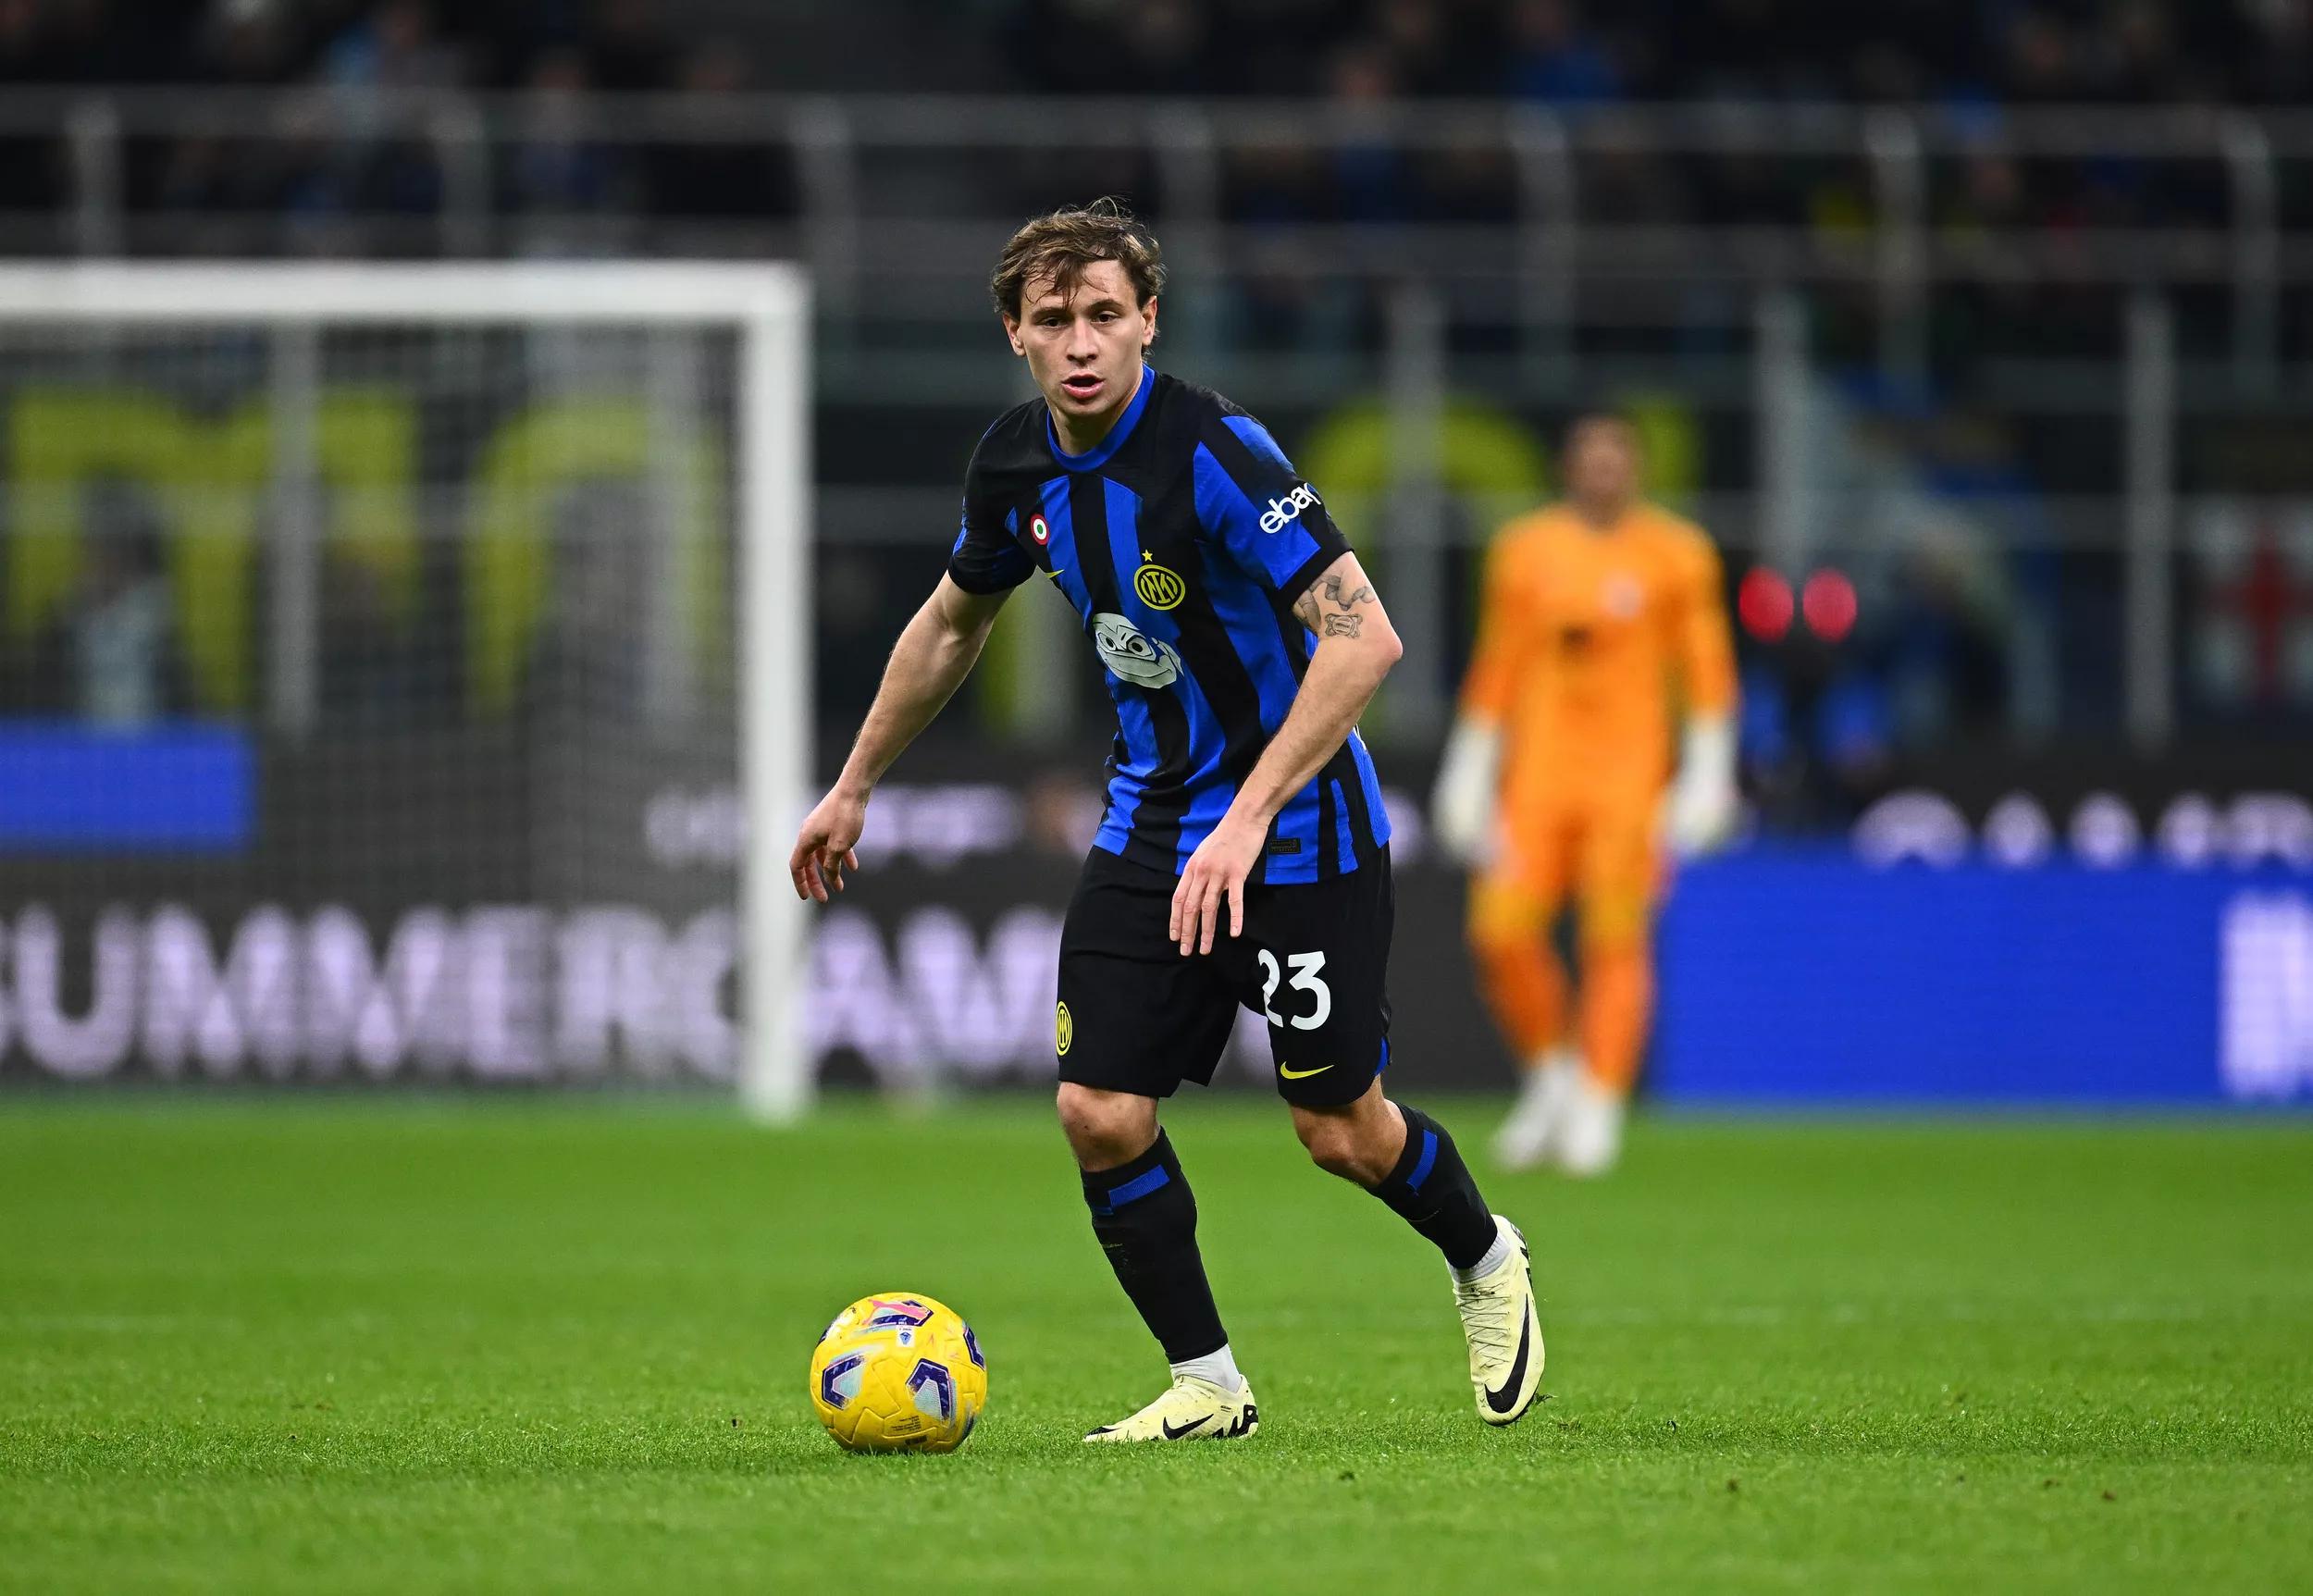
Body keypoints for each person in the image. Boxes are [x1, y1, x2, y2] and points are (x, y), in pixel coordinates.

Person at [791, 201, 1543, 1442]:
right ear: (1014, 333)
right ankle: (1208, 1383)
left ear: (1149, 319)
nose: (1081, 341)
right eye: (1053, 319)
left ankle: (1485, 1253)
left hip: (1299, 831)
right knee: (1097, 1107)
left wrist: (1248, 817)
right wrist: (855, 780)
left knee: (1338, 1131)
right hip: (1152, 825)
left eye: (1104, 313)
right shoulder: (1014, 464)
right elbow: (950, 623)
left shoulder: (1217, 453)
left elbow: (1365, 639)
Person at [1431, 415, 1739, 1177]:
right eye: (1590, 458)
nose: (1603, 471)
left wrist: (1709, 772)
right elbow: (1499, 662)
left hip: (1628, 780)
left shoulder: (1678, 553)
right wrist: (1468, 768)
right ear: (1569, 468)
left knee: (1615, 941)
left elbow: (1705, 668)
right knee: (1500, 930)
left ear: (1636, 468)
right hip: (1538, 774)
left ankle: (1600, 1097)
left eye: (1615, 458)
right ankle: (1552, 1073)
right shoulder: (1525, 549)